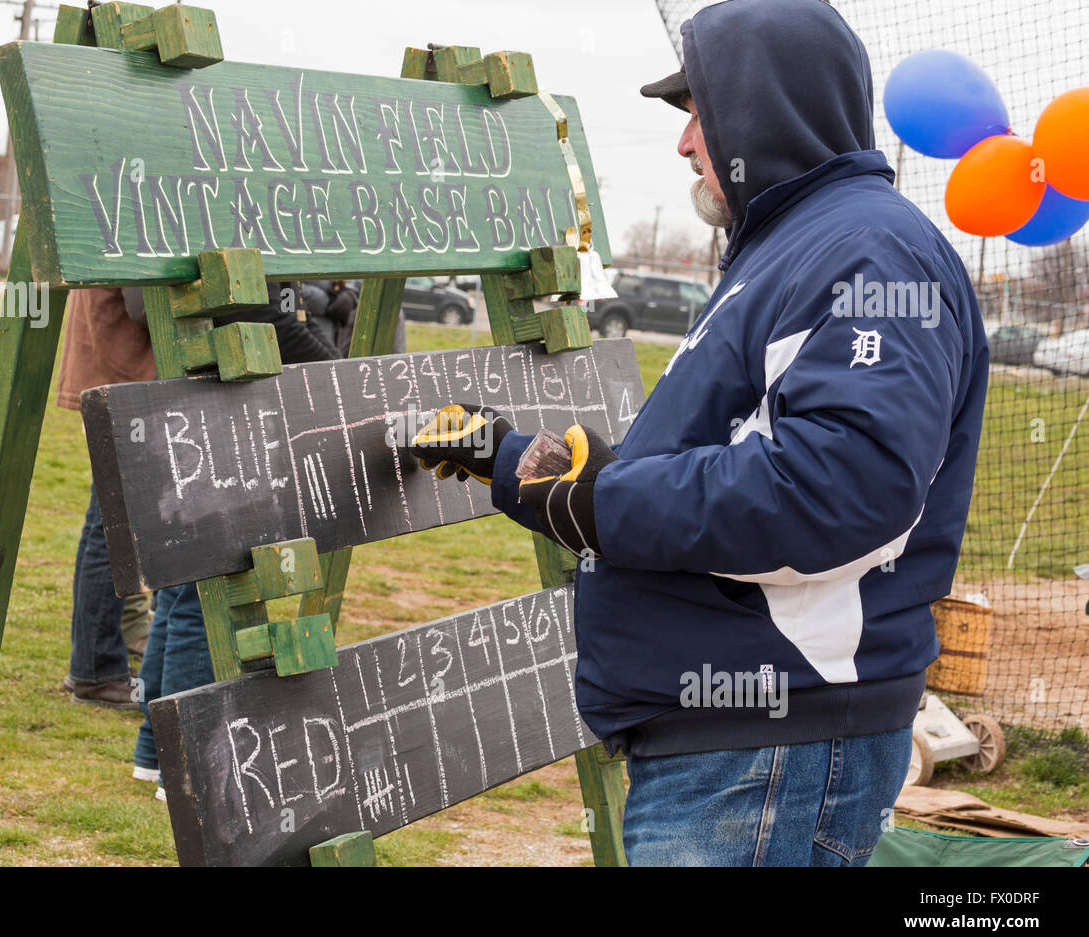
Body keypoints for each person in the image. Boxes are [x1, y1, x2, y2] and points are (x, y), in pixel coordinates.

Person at [409, 0, 988, 866]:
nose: (685, 142)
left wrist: (596, 498)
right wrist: (510, 457)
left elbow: (838, 488)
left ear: (766, 112)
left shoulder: (868, 253)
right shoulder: (798, 246)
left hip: (767, 751)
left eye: (700, 113)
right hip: (743, 746)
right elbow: (726, 452)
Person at [134, 282, 343, 788]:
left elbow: (285, 313)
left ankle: (156, 750)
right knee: (204, 598)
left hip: (218, 408)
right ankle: (182, 765)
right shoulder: (227, 228)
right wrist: (335, 371)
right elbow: (261, 313)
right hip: (214, 412)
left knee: (185, 594)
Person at [57, 287, 157, 708]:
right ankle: (96, 671)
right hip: (124, 380)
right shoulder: (134, 217)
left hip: (113, 375)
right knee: (110, 527)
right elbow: (142, 303)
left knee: (108, 525)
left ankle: (96, 662)